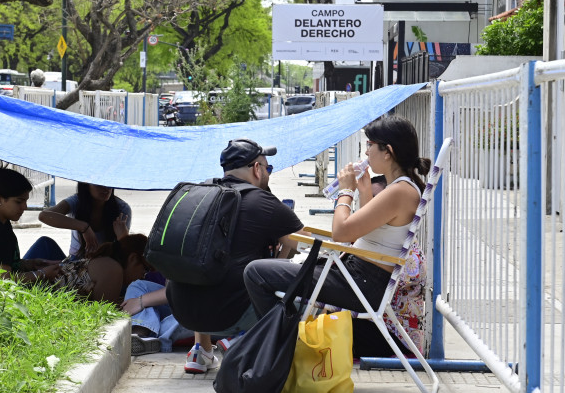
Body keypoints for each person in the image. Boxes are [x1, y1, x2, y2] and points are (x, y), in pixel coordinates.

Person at [244, 115, 431, 357]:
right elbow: (363, 236)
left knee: (256, 272)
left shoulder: (399, 191)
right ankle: (282, 346)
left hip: (362, 282)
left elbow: (342, 233)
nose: (366, 153)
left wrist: (346, 191)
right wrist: (364, 191)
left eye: (369, 145)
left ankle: (279, 351)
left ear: (388, 151)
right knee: (269, 271)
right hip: (358, 276)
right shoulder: (401, 188)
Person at [165, 138, 304, 373]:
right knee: (301, 299)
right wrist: (284, 247)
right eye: (268, 168)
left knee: (208, 262)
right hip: (229, 317)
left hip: (182, 311)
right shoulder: (262, 201)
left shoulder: (200, 193)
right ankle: (246, 346)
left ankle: (201, 350)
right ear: (257, 169)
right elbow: (305, 242)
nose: (268, 174)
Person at [31, 182, 131, 260]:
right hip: (76, 263)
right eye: (99, 184)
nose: (106, 188)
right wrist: (84, 227)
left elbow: (126, 254)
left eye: (109, 183)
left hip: (106, 265)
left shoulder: (122, 209)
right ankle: (17, 279)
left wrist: (123, 237)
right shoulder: (76, 201)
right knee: (44, 243)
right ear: (86, 184)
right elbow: (44, 216)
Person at [48, 233, 153, 303]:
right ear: (133, 259)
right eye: (146, 269)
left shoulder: (106, 262)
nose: (143, 277)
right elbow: (104, 313)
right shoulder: (113, 270)